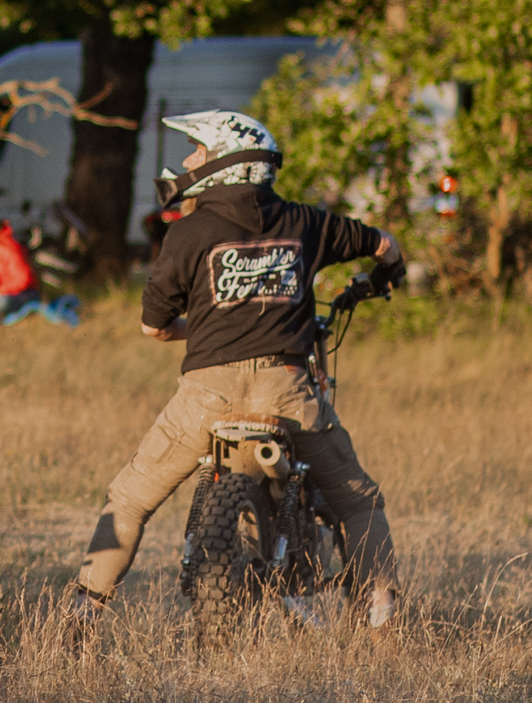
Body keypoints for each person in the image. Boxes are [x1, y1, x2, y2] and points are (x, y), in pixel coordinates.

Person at [69, 110, 403, 631]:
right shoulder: (306, 222)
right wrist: (389, 271)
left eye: (198, 150)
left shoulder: (189, 231)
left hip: (207, 395)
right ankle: (381, 613)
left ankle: (81, 613)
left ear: (226, 162)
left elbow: (153, 326)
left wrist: (198, 329)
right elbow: (382, 243)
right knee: (358, 501)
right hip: (288, 391)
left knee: (130, 499)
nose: (188, 160)